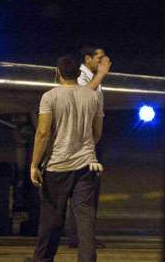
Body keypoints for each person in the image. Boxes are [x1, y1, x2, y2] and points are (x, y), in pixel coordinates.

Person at [28, 55, 104, 262]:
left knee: (52, 218)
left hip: (57, 166)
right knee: (85, 219)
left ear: (57, 73)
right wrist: (84, 148)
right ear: (79, 74)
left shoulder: (50, 97)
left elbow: (43, 133)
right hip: (87, 166)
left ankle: (43, 258)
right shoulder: (92, 97)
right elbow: (97, 132)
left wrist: (35, 164)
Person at [68, 46, 111, 249]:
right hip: (82, 140)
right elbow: (84, 96)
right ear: (88, 59)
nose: (103, 61)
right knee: (83, 190)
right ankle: (79, 237)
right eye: (99, 58)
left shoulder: (94, 78)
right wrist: (101, 74)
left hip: (92, 139)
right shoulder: (82, 77)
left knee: (90, 190)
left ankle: (83, 235)